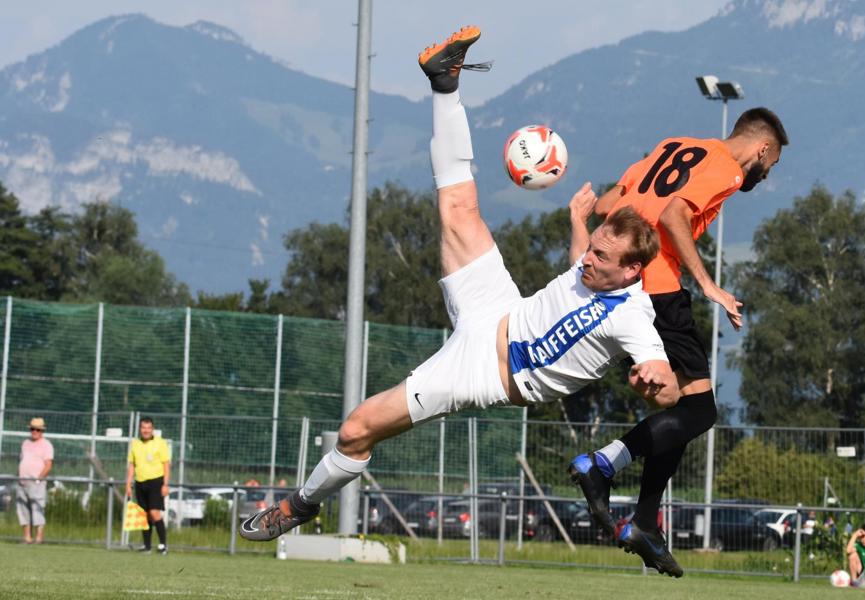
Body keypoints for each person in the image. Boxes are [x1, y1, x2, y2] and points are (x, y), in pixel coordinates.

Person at [241, 25, 678, 542]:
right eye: (593, 246)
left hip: (482, 374)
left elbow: (666, 385)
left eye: (601, 256)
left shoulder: (634, 315)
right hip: (497, 307)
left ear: (631, 272)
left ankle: (301, 503)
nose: (587, 259)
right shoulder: (593, 263)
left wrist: (657, 384)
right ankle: (445, 83)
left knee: (356, 429)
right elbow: (578, 264)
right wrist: (578, 222)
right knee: (457, 208)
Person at [569, 104, 788, 576]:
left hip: (624, 283)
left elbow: (612, 206)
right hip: (660, 285)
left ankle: (646, 521)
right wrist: (708, 286)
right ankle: (602, 464)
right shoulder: (728, 169)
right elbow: (672, 216)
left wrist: (583, 218)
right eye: (770, 166)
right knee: (701, 411)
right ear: (762, 148)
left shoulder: (674, 146)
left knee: (683, 409)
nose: (765, 175)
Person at [125, 416, 171, 555]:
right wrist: (128, 483)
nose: (146, 430)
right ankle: (147, 546)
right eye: (143, 428)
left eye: (148, 428)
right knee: (143, 515)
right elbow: (132, 465)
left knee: (154, 513)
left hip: (156, 482)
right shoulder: (135, 443)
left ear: (152, 429)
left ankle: (163, 545)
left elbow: (166, 465)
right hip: (140, 482)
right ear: (140, 429)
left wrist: (165, 484)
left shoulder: (160, 443)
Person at [17, 417, 54, 544]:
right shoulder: (25, 443)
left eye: (37, 429)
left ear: (42, 431)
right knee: (23, 509)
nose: (34, 431)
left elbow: (48, 465)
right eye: (32, 429)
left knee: (37, 508)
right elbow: (22, 460)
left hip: (36, 482)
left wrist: (39, 479)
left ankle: (39, 537)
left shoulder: (46, 445)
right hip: (22, 482)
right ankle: (27, 537)